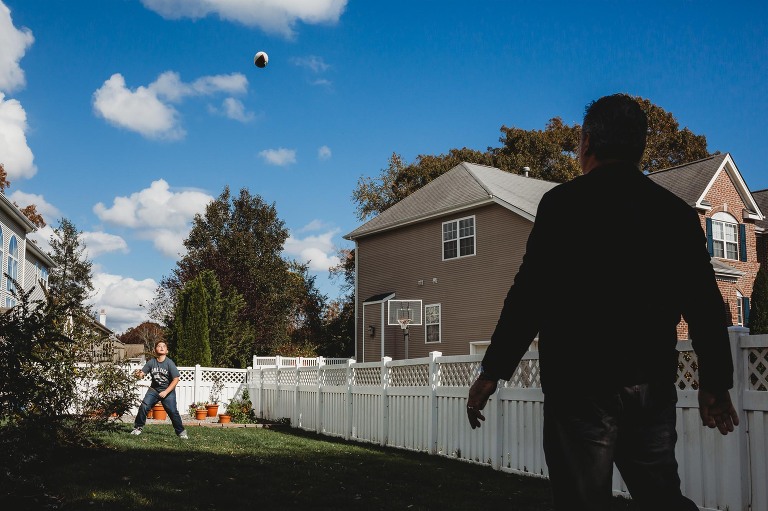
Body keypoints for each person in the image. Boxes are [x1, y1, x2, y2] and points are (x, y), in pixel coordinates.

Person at [466, 94, 739, 510]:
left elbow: (529, 296)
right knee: (660, 496)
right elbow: (705, 306)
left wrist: (493, 371)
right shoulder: (675, 215)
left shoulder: (562, 205)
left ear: (586, 141)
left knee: (582, 500)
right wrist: (715, 382)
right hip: (650, 386)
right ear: (640, 147)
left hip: (579, 388)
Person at [131, 340, 188, 439]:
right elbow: (141, 375)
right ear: (155, 350)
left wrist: (166, 392)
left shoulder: (169, 363)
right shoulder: (151, 362)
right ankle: (138, 428)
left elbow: (176, 379)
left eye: (163, 346)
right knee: (144, 406)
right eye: (159, 346)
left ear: (167, 351)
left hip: (167, 390)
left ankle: (181, 432)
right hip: (154, 390)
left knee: (172, 411)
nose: (161, 347)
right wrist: (137, 374)